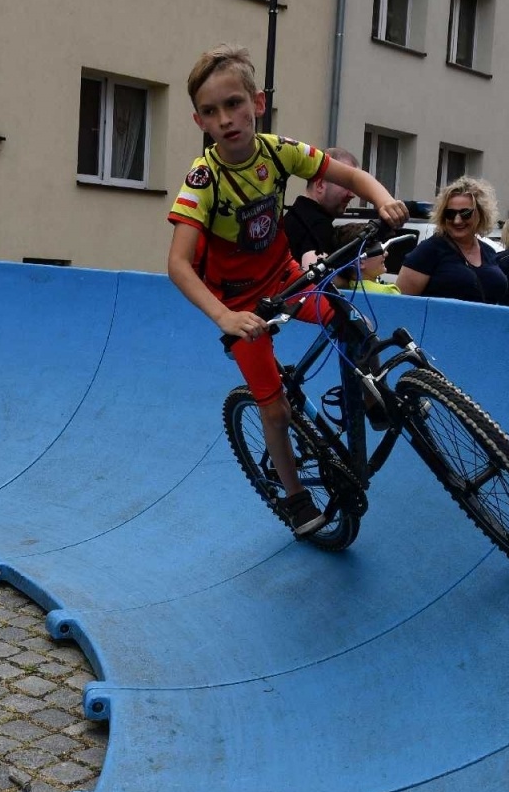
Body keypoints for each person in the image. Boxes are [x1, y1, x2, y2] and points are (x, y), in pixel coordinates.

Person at [166, 44, 406, 536]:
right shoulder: (203, 179)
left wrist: (383, 200)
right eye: (211, 112)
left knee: (348, 318)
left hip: (283, 279)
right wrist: (226, 319)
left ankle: (371, 395)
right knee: (273, 409)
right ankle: (295, 497)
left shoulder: (278, 151)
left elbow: (351, 175)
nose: (226, 119)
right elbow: (178, 265)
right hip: (239, 304)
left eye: (234, 104)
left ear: (257, 103)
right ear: (199, 121)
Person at [396, 177, 507, 303]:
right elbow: (402, 306)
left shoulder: (489, 252)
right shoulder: (428, 251)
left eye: (465, 213)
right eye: (450, 214)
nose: (457, 220)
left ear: (481, 213)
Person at [283, 147, 359, 264]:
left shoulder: (294, 217)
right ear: (320, 185)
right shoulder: (318, 228)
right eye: (346, 185)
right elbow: (319, 278)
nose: (352, 194)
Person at [328, 221, 400, 294]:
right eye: (379, 250)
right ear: (361, 262)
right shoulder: (388, 291)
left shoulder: (340, 290)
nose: (386, 254)